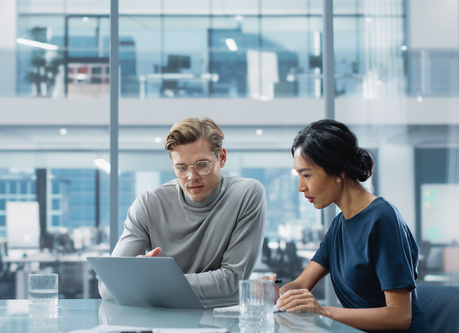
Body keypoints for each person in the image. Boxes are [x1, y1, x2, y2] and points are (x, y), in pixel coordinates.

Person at [267, 119, 431, 333]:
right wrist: (276, 293)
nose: (300, 187)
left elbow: (399, 315)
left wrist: (322, 310)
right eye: (299, 175)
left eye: (306, 175)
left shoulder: (382, 219)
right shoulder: (339, 225)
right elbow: (300, 284)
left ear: (338, 172)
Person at [99, 117, 267, 300]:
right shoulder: (148, 204)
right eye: (181, 168)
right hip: (161, 322)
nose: (191, 177)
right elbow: (108, 286)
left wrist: (150, 282)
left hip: (221, 321)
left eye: (202, 165)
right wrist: (142, 277)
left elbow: (232, 282)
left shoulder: (246, 194)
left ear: (222, 158)